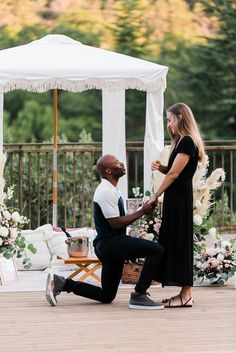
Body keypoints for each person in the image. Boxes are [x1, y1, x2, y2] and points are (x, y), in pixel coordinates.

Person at [46, 154, 165, 310]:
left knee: (107, 295)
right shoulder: (105, 191)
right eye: (117, 163)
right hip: (112, 244)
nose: (122, 164)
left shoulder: (111, 189)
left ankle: (63, 283)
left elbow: (117, 219)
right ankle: (139, 295)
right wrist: (142, 212)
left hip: (109, 245)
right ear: (108, 171)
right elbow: (115, 224)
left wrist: (143, 209)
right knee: (157, 250)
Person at [150, 102, 206, 308]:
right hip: (176, 198)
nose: (168, 123)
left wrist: (155, 195)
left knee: (180, 244)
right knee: (174, 242)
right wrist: (162, 167)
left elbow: (175, 175)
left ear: (180, 118)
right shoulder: (181, 141)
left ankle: (186, 294)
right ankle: (184, 293)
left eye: (170, 119)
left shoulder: (187, 142)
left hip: (180, 200)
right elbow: (174, 170)